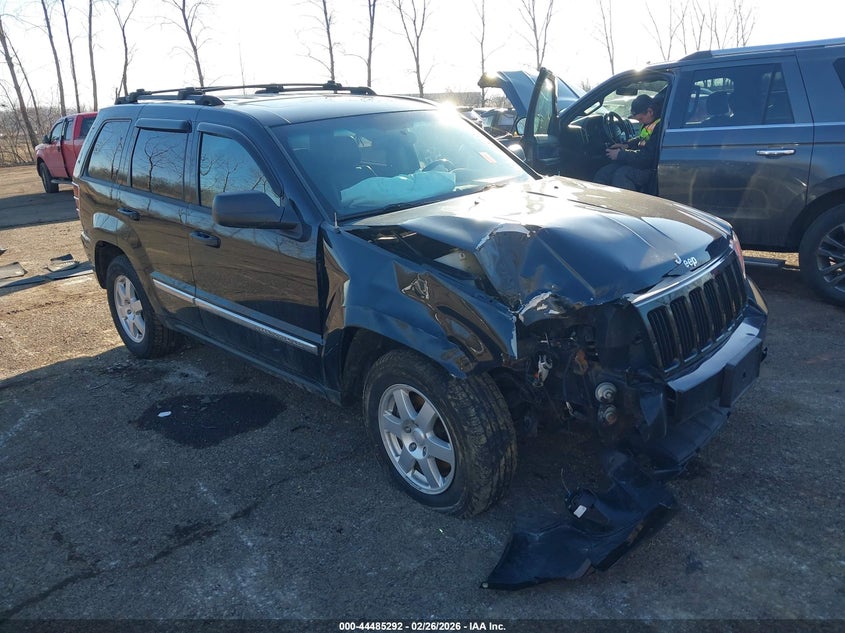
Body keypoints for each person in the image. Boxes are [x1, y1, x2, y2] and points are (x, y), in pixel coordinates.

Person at [593, 94, 662, 192]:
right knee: (605, 172)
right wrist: (626, 145)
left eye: (641, 119)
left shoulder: (659, 126)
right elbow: (642, 139)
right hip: (641, 163)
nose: (640, 123)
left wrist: (620, 154)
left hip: (650, 168)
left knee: (621, 175)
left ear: (650, 111)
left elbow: (647, 157)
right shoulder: (650, 122)